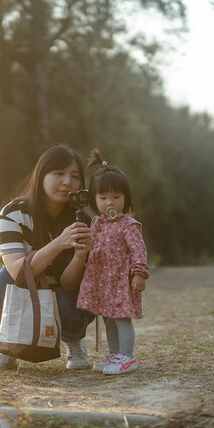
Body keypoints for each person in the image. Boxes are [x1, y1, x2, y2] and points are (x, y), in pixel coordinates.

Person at [0, 145, 95, 370]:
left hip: (62, 291)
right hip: (27, 286)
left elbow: (69, 284)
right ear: (41, 175)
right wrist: (59, 243)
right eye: (59, 173)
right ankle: (6, 345)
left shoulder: (82, 220)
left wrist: (80, 255)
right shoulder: (13, 213)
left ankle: (74, 340)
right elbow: (18, 271)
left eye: (74, 176)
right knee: (4, 276)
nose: (67, 182)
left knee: (84, 280)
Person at [76, 149, 149, 375]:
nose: (110, 202)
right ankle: (114, 353)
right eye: (103, 198)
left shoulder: (128, 224)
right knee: (108, 318)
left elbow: (138, 249)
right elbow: (91, 247)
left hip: (121, 280)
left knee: (121, 318)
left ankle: (127, 356)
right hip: (103, 281)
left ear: (125, 198)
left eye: (116, 197)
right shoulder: (97, 224)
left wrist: (139, 272)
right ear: (94, 200)